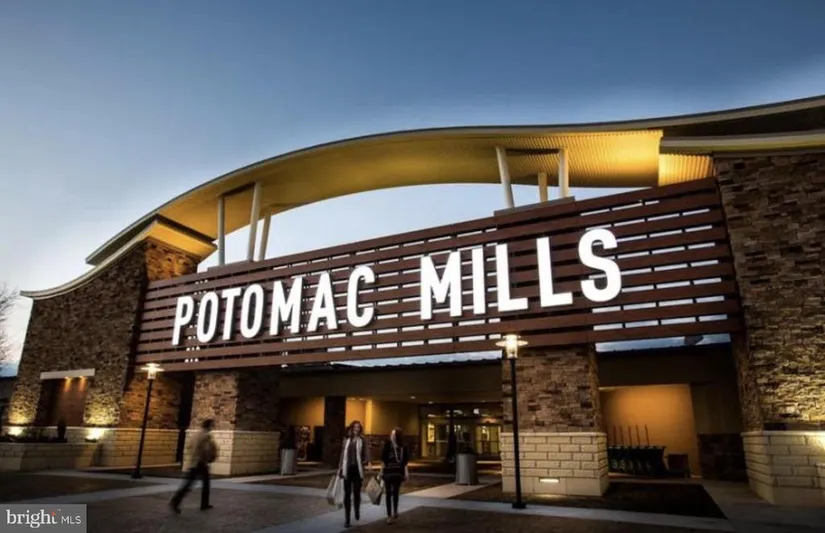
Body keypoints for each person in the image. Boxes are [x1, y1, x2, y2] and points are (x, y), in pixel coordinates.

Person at [170, 419, 218, 513]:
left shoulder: (197, 434)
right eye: (212, 425)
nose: (213, 427)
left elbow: (189, 447)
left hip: (196, 462)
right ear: (209, 426)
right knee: (192, 484)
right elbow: (203, 449)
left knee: (200, 483)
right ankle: (176, 501)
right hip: (199, 463)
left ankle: (204, 503)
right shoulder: (204, 435)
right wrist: (206, 458)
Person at [338, 420, 370, 528]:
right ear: (351, 428)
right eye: (355, 427)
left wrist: (367, 461)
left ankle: (357, 509)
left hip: (357, 470)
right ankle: (347, 519)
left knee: (356, 492)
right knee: (347, 494)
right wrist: (340, 468)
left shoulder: (362, 439)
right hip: (347, 470)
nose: (357, 429)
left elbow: (366, 452)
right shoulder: (346, 439)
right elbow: (342, 454)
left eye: (358, 427)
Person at [380, 427, 410, 524]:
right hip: (388, 472)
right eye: (391, 434)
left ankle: (395, 510)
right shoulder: (388, 445)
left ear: (398, 436)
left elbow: (405, 461)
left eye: (394, 434)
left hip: (397, 473)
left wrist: (406, 472)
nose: (392, 436)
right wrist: (381, 471)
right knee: (388, 494)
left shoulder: (403, 446)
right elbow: (383, 459)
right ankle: (389, 515)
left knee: (396, 492)